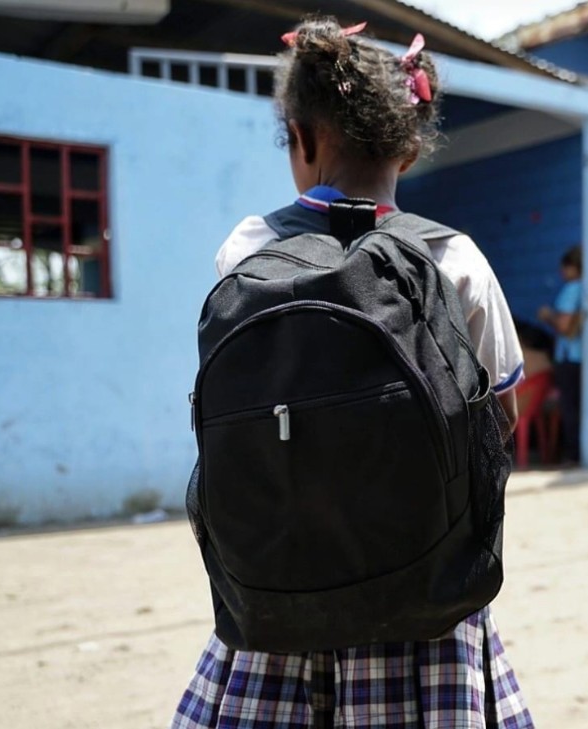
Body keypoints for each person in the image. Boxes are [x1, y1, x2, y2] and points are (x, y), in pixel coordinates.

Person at [173, 17, 533, 728]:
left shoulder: (246, 250)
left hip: (276, 599)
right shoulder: (455, 257)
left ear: (301, 138)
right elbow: (501, 420)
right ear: (408, 144)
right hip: (428, 603)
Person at [537, 246, 583, 465]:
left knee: (569, 406)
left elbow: (564, 327)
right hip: (582, 357)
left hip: (568, 356)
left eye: (565, 268)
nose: (562, 273)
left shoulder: (572, 289)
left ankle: (571, 454)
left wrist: (547, 317)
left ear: (573, 267)